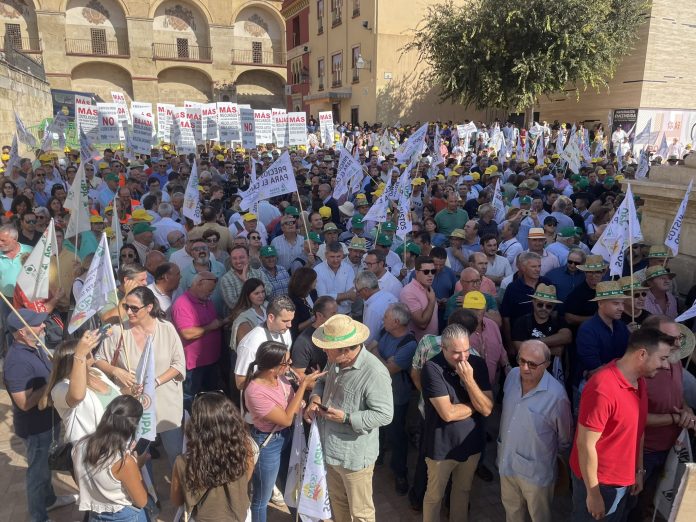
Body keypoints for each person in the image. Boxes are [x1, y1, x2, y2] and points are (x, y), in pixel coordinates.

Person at [570, 328, 673, 522]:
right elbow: (585, 445)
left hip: (623, 481)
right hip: (600, 484)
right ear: (642, 354)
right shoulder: (602, 388)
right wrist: (593, 495)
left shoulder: (639, 381)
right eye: (663, 358)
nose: (666, 366)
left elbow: (638, 429)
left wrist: (638, 470)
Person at [305, 314, 393, 522]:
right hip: (330, 450)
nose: (324, 350)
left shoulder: (374, 373)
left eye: (328, 347)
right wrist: (315, 399)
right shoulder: (334, 360)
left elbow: (385, 414)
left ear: (346, 349)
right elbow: (322, 382)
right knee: (338, 502)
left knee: (361, 512)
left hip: (354, 458)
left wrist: (346, 418)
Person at [95, 286, 186, 469]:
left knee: (176, 453)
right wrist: (116, 371)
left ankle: (180, 493)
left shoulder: (166, 329)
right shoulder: (118, 331)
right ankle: (147, 496)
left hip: (166, 403)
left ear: (149, 307)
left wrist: (155, 381)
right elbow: (99, 360)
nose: (129, 312)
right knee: (137, 457)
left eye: (134, 308)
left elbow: (178, 365)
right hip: (133, 407)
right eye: (127, 306)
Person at [4, 309, 77, 521]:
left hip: (48, 422)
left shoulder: (34, 346)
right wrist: (51, 382)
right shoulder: (17, 362)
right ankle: (39, 516)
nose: (43, 326)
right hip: (35, 428)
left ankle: (49, 500)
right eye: (37, 324)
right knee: (37, 474)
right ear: (20, 333)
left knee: (45, 468)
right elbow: (24, 403)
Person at [243, 341, 325, 522]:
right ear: (273, 368)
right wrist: (303, 385)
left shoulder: (279, 377)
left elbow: (290, 404)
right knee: (262, 498)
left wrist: (302, 404)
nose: (290, 366)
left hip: (287, 436)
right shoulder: (255, 392)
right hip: (268, 444)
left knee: (293, 483)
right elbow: (286, 418)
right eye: (287, 363)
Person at [420, 323, 493, 522]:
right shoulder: (432, 369)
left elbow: (487, 408)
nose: (463, 358)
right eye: (456, 353)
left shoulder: (477, 364)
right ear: (443, 348)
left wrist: (469, 380)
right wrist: (476, 405)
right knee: (435, 496)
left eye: (466, 350)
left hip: (471, 444)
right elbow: (448, 413)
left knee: (463, 491)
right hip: (442, 448)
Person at [498, 340, 573, 522]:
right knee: (512, 513)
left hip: (536, 474)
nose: (524, 368)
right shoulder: (512, 376)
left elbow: (565, 438)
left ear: (546, 365)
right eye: (521, 360)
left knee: (539, 516)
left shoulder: (556, 396)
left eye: (532, 364)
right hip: (507, 462)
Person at [170, 392, 256, 521]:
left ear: (195, 427)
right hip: (239, 517)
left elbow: (176, 501)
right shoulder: (245, 450)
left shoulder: (183, 462)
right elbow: (246, 478)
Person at [72, 395, 149, 521]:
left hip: (95, 514)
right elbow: (142, 501)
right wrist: (137, 467)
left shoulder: (79, 446)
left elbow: (81, 481)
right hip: (125, 516)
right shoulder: (124, 462)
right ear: (132, 426)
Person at [367, 302, 417, 495]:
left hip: (396, 397)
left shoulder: (409, 344)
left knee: (397, 436)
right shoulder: (384, 331)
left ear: (396, 322)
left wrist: (375, 354)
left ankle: (400, 473)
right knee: (377, 429)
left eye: (386, 317)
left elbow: (387, 370)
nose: (383, 320)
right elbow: (370, 348)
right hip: (377, 393)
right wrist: (381, 357)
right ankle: (377, 457)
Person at [42, 331, 121, 443]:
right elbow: (77, 396)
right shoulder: (60, 388)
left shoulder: (95, 372)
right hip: (91, 452)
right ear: (73, 361)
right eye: (87, 353)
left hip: (117, 442)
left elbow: (114, 396)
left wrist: (131, 391)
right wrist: (79, 355)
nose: (92, 354)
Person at [172, 272, 229, 404]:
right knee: (191, 400)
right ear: (198, 284)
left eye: (213, 290)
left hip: (211, 361)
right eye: (209, 290)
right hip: (194, 366)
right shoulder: (182, 304)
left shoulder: (206, 300)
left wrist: (222, 323)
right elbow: (187, 333)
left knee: (211, 400)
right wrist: (211, 327)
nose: (211, 293)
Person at [235, 295, 295, 389]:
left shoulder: (285, 332)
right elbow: (240, 383)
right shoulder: (251, 344)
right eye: (285, 321)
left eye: (291, 320)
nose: (290, 325)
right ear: (271, 317)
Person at [290, 296, 337, 376]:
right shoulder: (303, 342)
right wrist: (318, 384)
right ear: (319, 315)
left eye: (336, 312)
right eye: (333, 314)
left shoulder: (337, 331)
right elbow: (297, 374)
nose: (337, 317)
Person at [355, 270, 398, 345]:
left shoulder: (373, 309)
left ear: (365, 290)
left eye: (358, 291)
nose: (357, 294)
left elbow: (368, 339)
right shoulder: (390, 295)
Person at [401, 255, 438, 341]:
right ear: (417, 272)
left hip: (432, 343)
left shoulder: (428, 288)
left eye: (433, 271)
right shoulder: (408, 292)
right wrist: (432, 301)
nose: (430, 275)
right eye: (426, 272)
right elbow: (422, 325)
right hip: (418, 347)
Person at [314, 241, 357, 315]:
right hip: (326, 316)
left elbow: (352, 297)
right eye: (332, 257)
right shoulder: (317, 270)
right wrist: (347, 295)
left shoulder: (348, 269)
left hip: (345, 314)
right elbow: (322, 297)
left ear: (342, 255)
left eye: (338, 256)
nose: (335, 260)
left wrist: (332, 298)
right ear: (326, 255)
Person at [564, 255, 607, 327]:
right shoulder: (577, 293)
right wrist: (597, 319)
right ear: (585, 273)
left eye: (597, 272)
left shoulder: (608, 290)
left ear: (603, 273)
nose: (593, 275)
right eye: (590, 272)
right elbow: (569, 318)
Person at [228, 278, 268, 353]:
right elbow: (246, 347)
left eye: (263, 292)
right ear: (248, 295)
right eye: (256, 293)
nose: (261, 296)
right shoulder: (242, 317)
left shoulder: (267, 307)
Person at [287, 266, 318, 339]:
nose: (317, 281)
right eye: (314, 280)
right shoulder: (292, 301)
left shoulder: (313, 292)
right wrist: (312, 319)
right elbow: (295, 328)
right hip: (302, 338)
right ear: (307, 282)